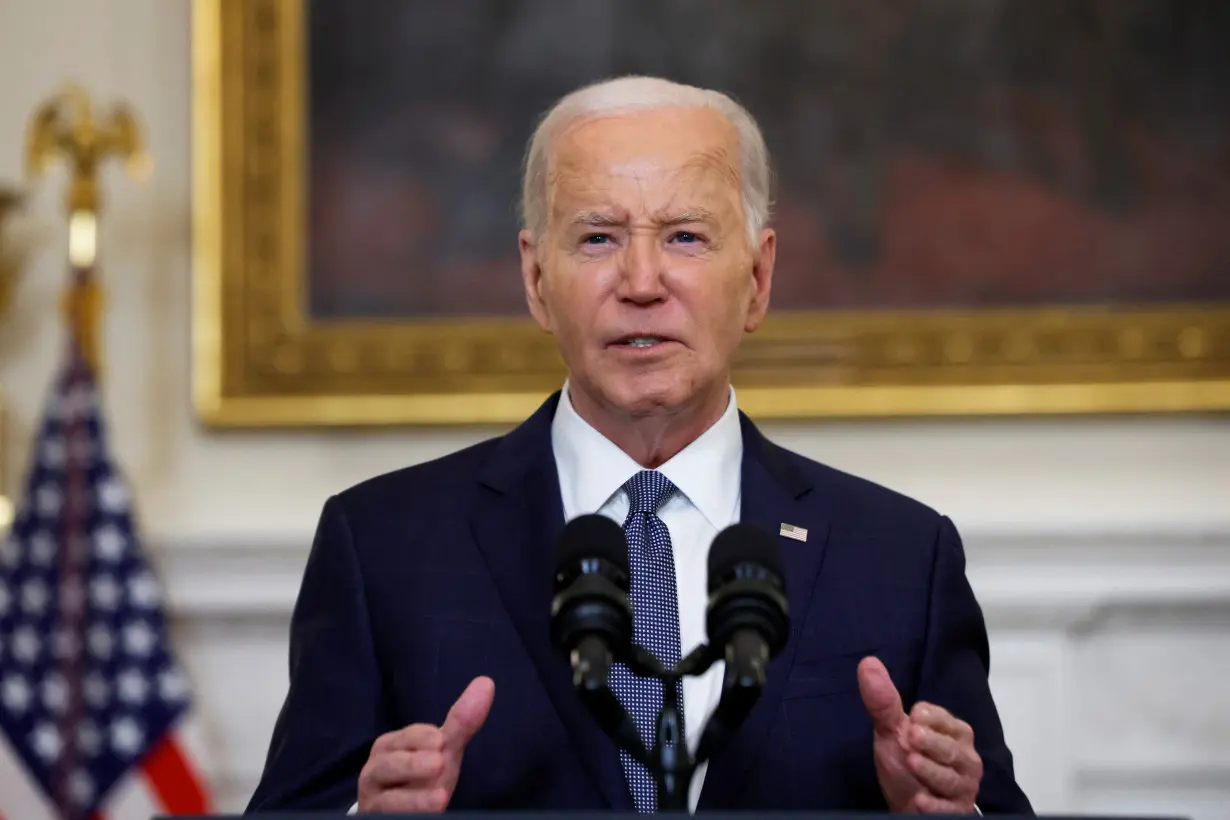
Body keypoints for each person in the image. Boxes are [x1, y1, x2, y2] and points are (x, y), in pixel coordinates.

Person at [246, 76, 1032, 815]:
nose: (643, 280)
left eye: (686, 236)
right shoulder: (382, 547)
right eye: (597, 238)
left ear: (757, 279)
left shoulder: (899, 556)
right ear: (535, 279)